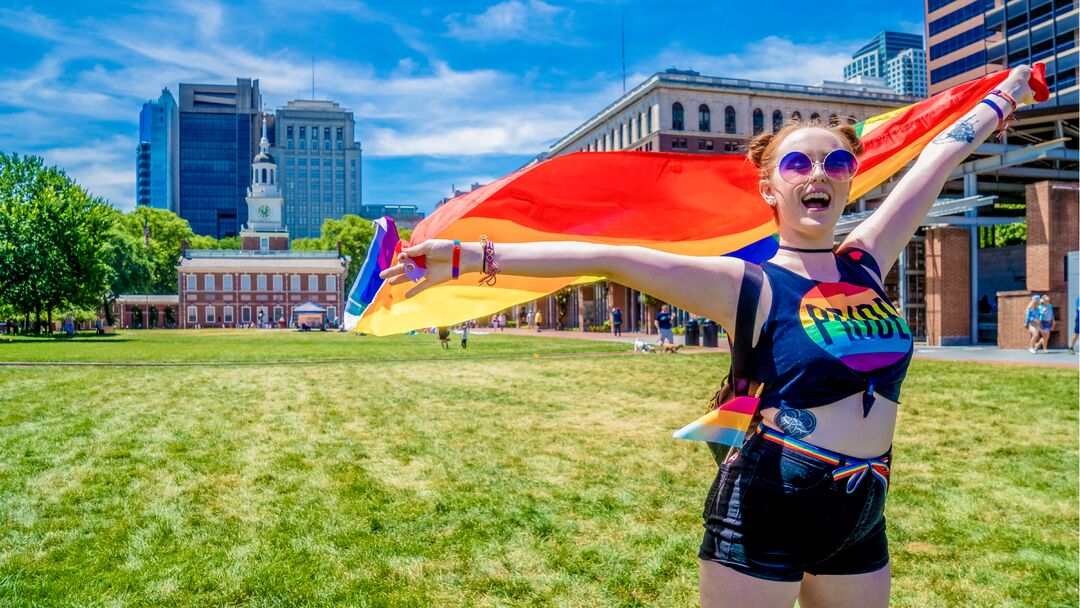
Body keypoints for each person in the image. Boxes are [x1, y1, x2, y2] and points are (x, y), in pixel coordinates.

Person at [381, 67, 1035, 608]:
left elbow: (943, 153)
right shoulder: (742, 284)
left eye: (836, 162)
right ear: (769, 190)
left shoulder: (867, 259)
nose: (821, 172)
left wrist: (1009, 94)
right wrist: (468, 257)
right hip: (764, 508)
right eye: (798, 162)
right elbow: (610, 258)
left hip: (862, 508)